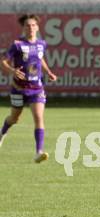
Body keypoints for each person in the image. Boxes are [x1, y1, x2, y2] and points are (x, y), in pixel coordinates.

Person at [0, 14, 57, 163]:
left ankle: (39, 152)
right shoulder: (17, 45)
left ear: (37, 28)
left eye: (33, 25)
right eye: (27, 25)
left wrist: (48, 72)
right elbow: (3, 62)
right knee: (14, 118)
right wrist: (12, 71)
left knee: (39, 118)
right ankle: (2, 133)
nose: (30, 28)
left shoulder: (41, 44)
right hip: (18, 88)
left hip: (36, 88)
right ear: (23, 28)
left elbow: (40, 58)